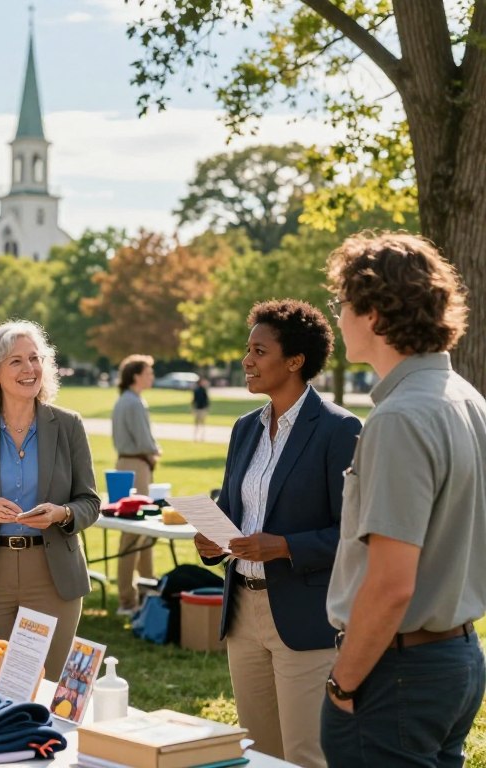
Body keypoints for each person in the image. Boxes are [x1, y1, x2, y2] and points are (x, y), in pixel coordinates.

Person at [321, 232, 486, 766]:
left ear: (373, 313)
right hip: (457, 659)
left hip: (397, 672)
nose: (338, 317)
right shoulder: (469, 401)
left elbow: (391, 584)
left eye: (342, 304)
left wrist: (342, 684)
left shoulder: (400, 418)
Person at [194, 299, 361, 767]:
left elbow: (353, 534)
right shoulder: (244, 428)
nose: (246, 361)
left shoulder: (338, 429)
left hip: (304, 615)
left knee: (306, 753)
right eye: (247, 350)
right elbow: (232, 512)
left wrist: (284, 546)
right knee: (258, 750)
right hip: (243, 612)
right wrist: (212, 541)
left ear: (295, 360)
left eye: (259, 351)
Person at [0, 320, 100, 679]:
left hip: (53, 577)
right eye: (16, 361)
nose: (29, 369)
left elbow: (89, 502)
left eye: (35, 358)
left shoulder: (69, 425)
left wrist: (61, 513)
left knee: (46, 683)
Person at [110, 354, 161, 616]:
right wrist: (155, 453)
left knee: (140, 532)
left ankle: (146, 590)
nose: (152, 376)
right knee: (134, 532)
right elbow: (145, 442)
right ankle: (128, 600)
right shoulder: (134, 403)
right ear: (136, 375)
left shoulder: (125, 401)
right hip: (136, 465)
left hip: (126, 466)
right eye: (148, 372)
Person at [192, 376, 210, 441]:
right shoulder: (198, 390)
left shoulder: (201, 390)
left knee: (200, 423)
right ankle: (197, 436)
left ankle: (200, 436)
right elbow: (195, 400)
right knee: (199, 423)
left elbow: (206, 399)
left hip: (200, 408)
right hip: (200, 408)